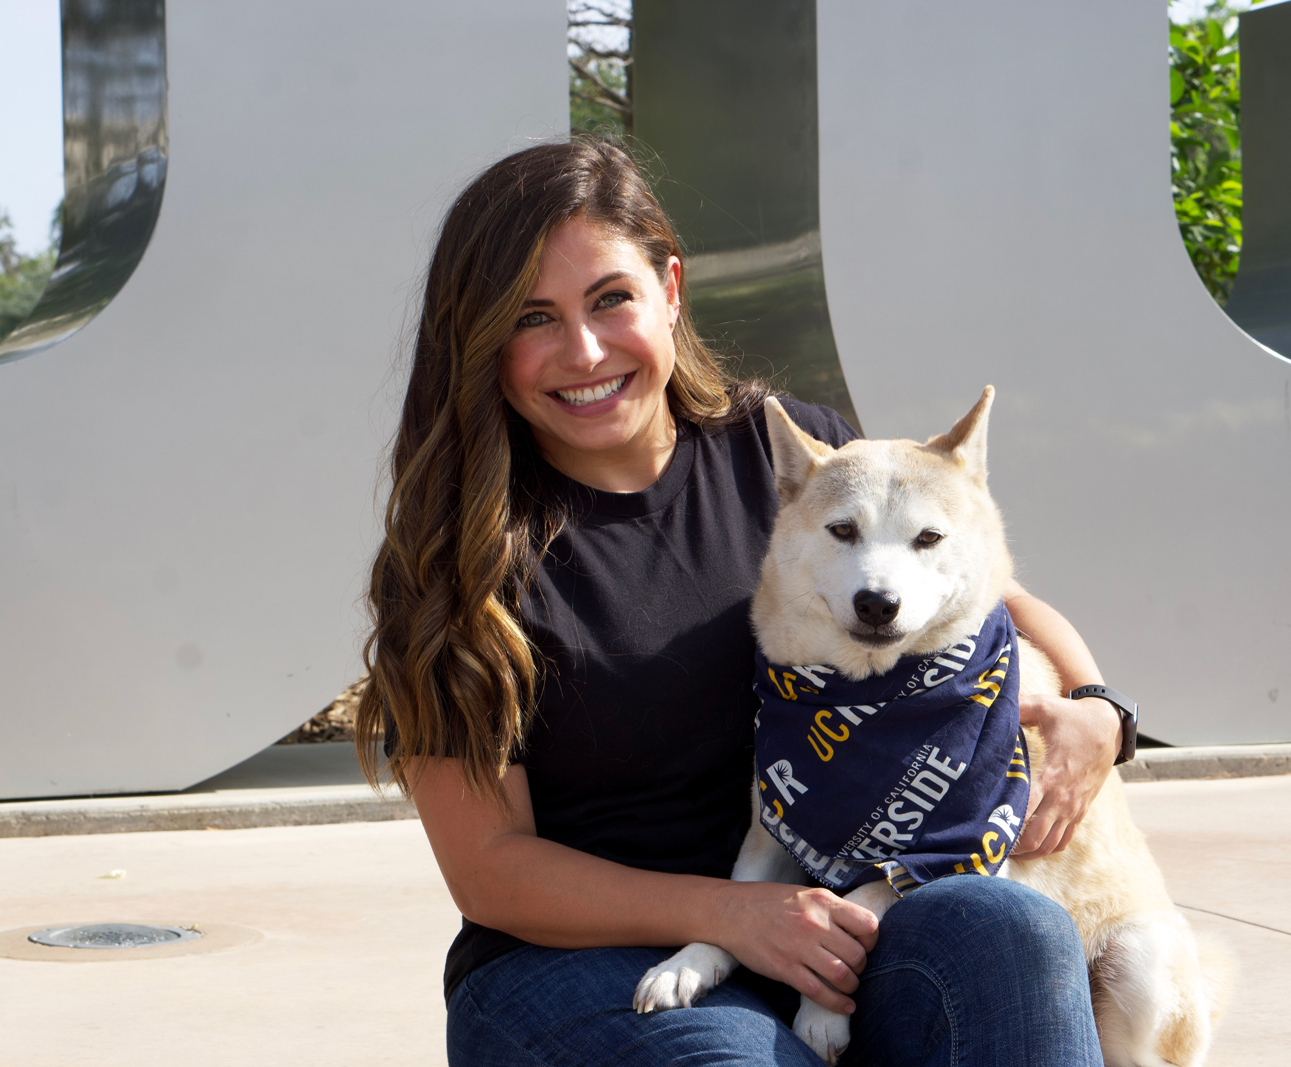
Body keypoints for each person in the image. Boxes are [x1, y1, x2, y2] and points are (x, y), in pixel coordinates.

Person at [356, 139, 1119, 1066]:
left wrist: (1095, 710)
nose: (585, 350)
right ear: (482, 341)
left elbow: (989, 595)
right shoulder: (460, 558)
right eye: (533, 317)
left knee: (1012, 928)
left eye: (611, 299)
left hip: (835, 921)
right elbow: (489, 870)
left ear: (669, 290)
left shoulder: (798, 458)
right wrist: (735, 914)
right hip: (576, 962)